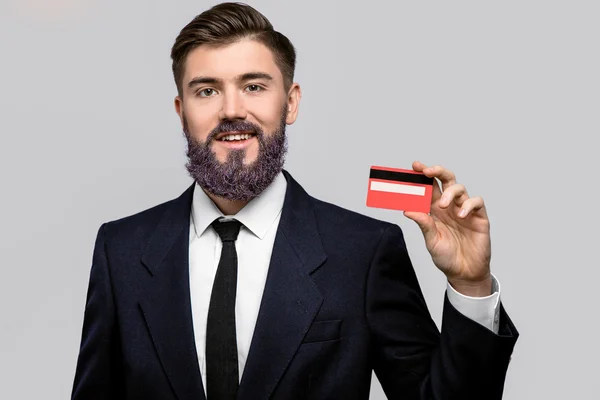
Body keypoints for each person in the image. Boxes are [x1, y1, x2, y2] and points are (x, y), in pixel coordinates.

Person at [71, 2, 518, 399]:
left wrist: (470, 286)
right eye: (206, 90)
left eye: (254, 86)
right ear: (181, 110)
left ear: (291, 103)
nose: (230, 110)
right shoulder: (121, 250)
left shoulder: (363, 251)